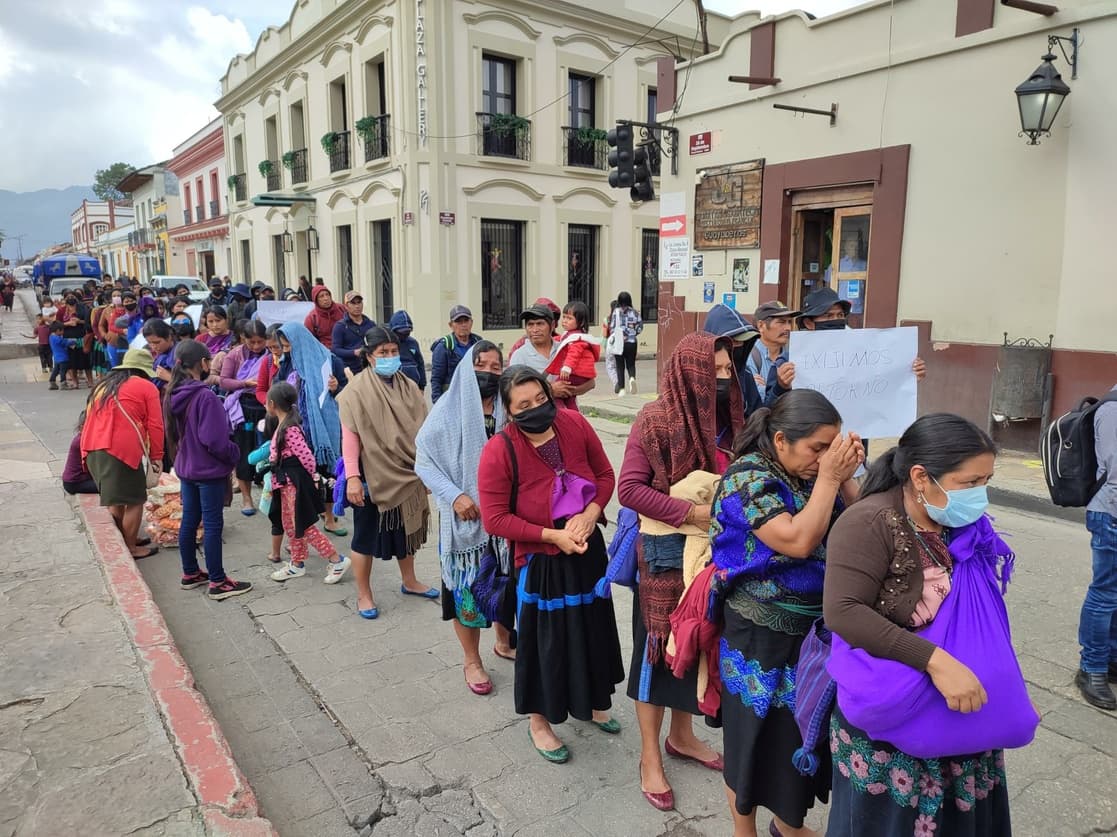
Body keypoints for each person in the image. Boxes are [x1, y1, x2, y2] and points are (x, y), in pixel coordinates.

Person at [823, 414, 1014, 835]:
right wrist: (936, 661)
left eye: (987, 480)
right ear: (921, 477)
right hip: (894, 720)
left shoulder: (960, 524)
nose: (980, 494)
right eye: (969, 482)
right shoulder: (870, 522)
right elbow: (844, 611)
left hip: (963, 713)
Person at [710, 390, 863, 837]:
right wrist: (830, 479)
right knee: (751, 739)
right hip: (759, 631)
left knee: (799, 736)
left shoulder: (817, 474)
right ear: (780, 441)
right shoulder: (747, 477)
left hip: (814, 631)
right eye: (817, 448)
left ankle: (787, 825)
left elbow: (859, 519)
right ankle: (745, 832)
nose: (823, 458)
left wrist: (846, 476)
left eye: (830, 447)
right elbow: (797, 540)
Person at [618, 332, 745, 811]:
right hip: (666, 556)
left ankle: (683, 736)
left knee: (696, 644)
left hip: (715, 556)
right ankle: (650, 756)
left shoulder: (733, 421)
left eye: (727, 370)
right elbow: (629, 490)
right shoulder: (654, 420)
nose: (721, 378)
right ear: (686, 371)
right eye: (711, 371)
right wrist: (689, 513)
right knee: (656, 652)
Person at [478, 366, 624, 763]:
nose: (536, 409)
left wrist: (592, 513)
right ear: (509, 411)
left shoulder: (574, 423)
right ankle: (539, 721)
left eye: (540, 399)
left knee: (590, 629)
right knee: (546, 640)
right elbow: (494, 519)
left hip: (586, 548)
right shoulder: (499, 449)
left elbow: (606, 475)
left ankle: (593, 701)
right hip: (542, 557)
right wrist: (552, 535)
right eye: (523, 405)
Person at [415, 341, 517, 694]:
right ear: (466, 369)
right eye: (481, 365)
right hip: (467, 523)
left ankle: (504, 641)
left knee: (508, 584)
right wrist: (456, 496)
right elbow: (424, 461)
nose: (488, 373)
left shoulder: (510, 409)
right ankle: (471, 660)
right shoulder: (447, 410)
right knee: (467, 593)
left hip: (506, 520)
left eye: (495, 367)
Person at [338, 326, 436, 619]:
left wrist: (430, 469)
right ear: (369, 357)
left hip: (409, 471)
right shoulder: (355, 392)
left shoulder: (408, 384)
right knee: (364, 537)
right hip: (372, 475)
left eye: (394, 352)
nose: (390, 357)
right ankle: (364, 594)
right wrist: (353, 477)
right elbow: (350, 437)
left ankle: (410, 580)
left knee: (407, 528)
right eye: (383, 353)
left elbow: (424, 429)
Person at [164, 340, 252, 601]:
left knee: (190, 519)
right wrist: (234, 453)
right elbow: (214, 440)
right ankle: (217, 581)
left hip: (187, 467)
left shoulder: (172, 393)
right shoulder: (205, 396)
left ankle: (190, 572)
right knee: (213, 524)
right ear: (202, 364)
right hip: (208, 470)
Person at [265, 381, 352, 585]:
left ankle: (336, 560)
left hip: (294, 484)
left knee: (303, 525)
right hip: (286, 484)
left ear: (271, 404)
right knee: (290, 524)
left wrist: (310, 478)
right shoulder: (284, 424)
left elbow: (307, 457)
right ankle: (297, 564)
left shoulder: (289, 429)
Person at [80, 348, 164, 559]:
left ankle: (123, 541)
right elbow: (155, 425)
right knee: (135, 500)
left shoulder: (103, 385)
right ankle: (131, 548)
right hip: (120, 451)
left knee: (115, 500)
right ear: (144, 371)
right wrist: (157, 456)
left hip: (91, 449)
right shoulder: (146, 386)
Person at [273, 321, 350, 536]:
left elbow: (346, 392)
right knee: (299, 474)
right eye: (283, 346)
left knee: (326, 471)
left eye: (289, 346)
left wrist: (337, 388)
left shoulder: (329, 359)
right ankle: (303, 524)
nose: (286, 350)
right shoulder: (287, 362)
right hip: (296, 427)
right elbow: (278, 389)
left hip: (323, 426)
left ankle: (329, 517)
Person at [1079, 383, 1117, 709]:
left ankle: (1112, 658)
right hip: (1111, 515)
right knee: (1105, 594)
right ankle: (1092, 668)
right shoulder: (1113, 408)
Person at [219, 319, 269, 515]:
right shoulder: (234, 355)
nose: (256, 346)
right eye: (252, 342)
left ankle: (272, 496)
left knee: (269, 450)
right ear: (243, 339)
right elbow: (224, 381)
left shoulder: (271, 353)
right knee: (244, 450)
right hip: (244, 407)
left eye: (260, 342)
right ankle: (247, 498)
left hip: (267, 406)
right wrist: (245, 383)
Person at [703, 302, 763, 415]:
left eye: (741, 342)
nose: (738, 346)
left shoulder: (746, 376)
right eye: (732, 341)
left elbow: (756, 415)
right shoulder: (695, 378)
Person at [544, 301, 598, 410]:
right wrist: (550, 340)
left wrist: (567, 367)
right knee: (570, 396)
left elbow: (574, 353)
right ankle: (574, 415)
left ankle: (564, 414)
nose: (564, 321)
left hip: (575, 372)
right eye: (564, 317)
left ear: (581, 322)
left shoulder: (577, 339)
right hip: (579, 373)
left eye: (569, 318)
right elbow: (561, 340)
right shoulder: (571, 335)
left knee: (558, 392)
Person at [746, 301, 799, 404]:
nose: (788, 328)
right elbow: (758, 401)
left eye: (789, 322)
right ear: (761, 326)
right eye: (781, 322)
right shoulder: (749, 356)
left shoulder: (792, 355)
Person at [430, 305, 481, 403]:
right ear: (451, 325)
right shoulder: (444, 347)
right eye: (458, 322)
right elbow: (436, 378)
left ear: (472, 322)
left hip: (474, 395)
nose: (463, 325)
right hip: (452, 397)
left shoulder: (478, 343)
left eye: (466, 321)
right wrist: (437, 403)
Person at [331, 290, 376, 375]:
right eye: (353, 303)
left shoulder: (371, 324)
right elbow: (335, 350)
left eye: (359, 303)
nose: (357, 306)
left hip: (369, 368)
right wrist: (354, 352)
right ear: (346, 306)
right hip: (349, 370)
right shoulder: (340, 326)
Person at [608, 291, 643, 394]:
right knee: (631, 364)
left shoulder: (616, 312)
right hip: (632, 343)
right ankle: (632, 378)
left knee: (620, 365)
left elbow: (612, 327)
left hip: (619, 342)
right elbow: (640, 327)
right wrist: (633, 334)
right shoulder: (635, 312)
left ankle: (622, 389)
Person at [508, 304, 557, 372]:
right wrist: (551, 383)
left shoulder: (564, 349)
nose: (535, 330)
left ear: (552, 325)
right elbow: (514, 382)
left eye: (540, 324)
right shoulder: (520, 356)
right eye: (530, 324)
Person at [389, 310, 426, 392]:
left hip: (414, 386)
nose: (404, 335)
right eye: (401, 332)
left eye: (407, 332)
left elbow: (420, 363)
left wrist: (422, 386)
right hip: (395, 387)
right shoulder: (388, 344)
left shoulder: (413, 343)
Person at [63, 411, 98, 495]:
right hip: (75, 483)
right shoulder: (81, 441)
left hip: (80, 480)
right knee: (111, 488)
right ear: (82, 427)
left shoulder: (83, 438)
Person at [305, 285, 345, 349]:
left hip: (346, 348)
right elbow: (309, 341)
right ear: (316, 300)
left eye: (327, 294)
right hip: (326, 352)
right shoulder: (312, 318)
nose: (326, 298)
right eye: (321, 296)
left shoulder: (342, 309)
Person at [142, 319, 177, 392]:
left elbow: (193, 383)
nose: (153, 346)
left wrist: (170, 378)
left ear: (169, 337)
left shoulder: (180, 353)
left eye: (157, 342)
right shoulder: (154, 355)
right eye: (149, 343)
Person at [47, 321, 76, 390]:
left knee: (56, 370)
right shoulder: (58, 339)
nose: (63, 332)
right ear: (57, 330)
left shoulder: (51, 337)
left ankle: (52, 381)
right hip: (63, 357)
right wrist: (74, 341)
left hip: (56, 358)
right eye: (62, 330)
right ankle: (63, 383)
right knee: (63, 371)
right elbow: (65, 342)